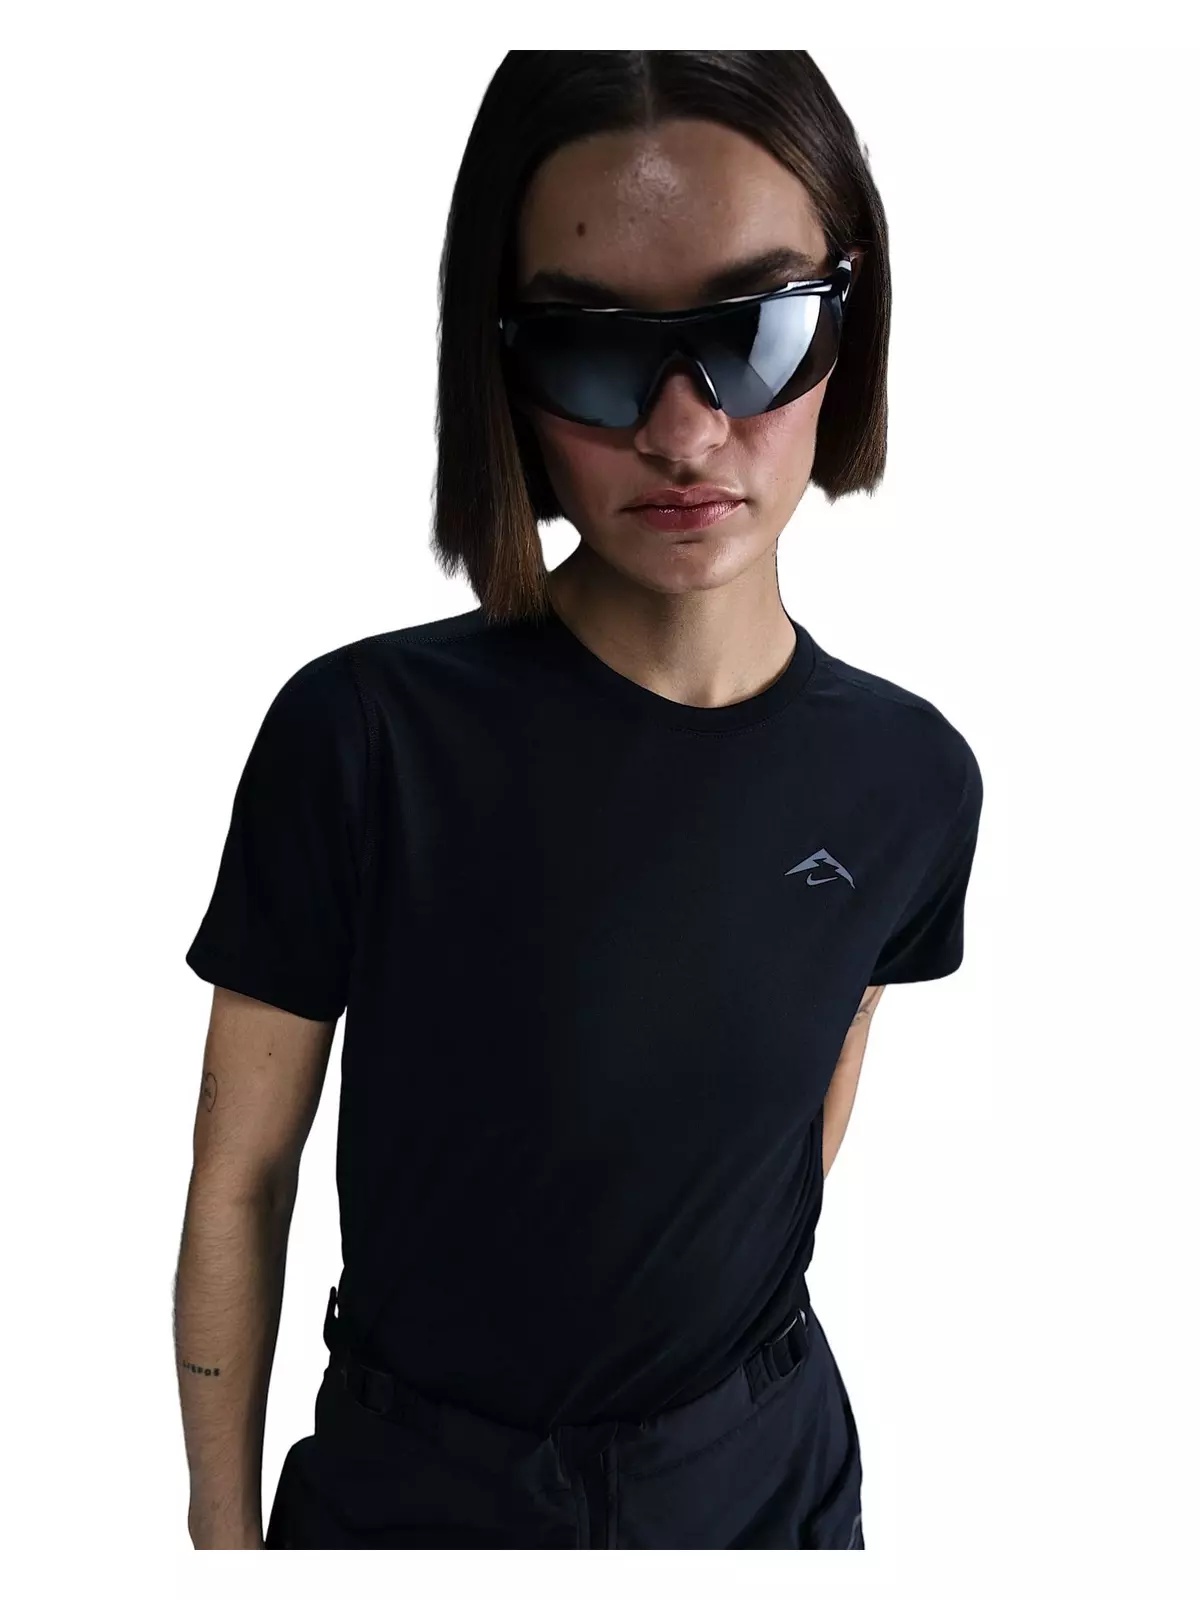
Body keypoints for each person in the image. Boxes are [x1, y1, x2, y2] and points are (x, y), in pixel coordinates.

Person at [175, 50, 982, 1550]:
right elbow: (240, 1180)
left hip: (764, 1488)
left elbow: (788, 1135)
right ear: (502, 367)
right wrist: (221, 1552)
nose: (684, 433)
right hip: (419, 1499)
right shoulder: (364, 738)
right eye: (593, 353)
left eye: (755, 332)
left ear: (847, 325)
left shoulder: (910, 779)